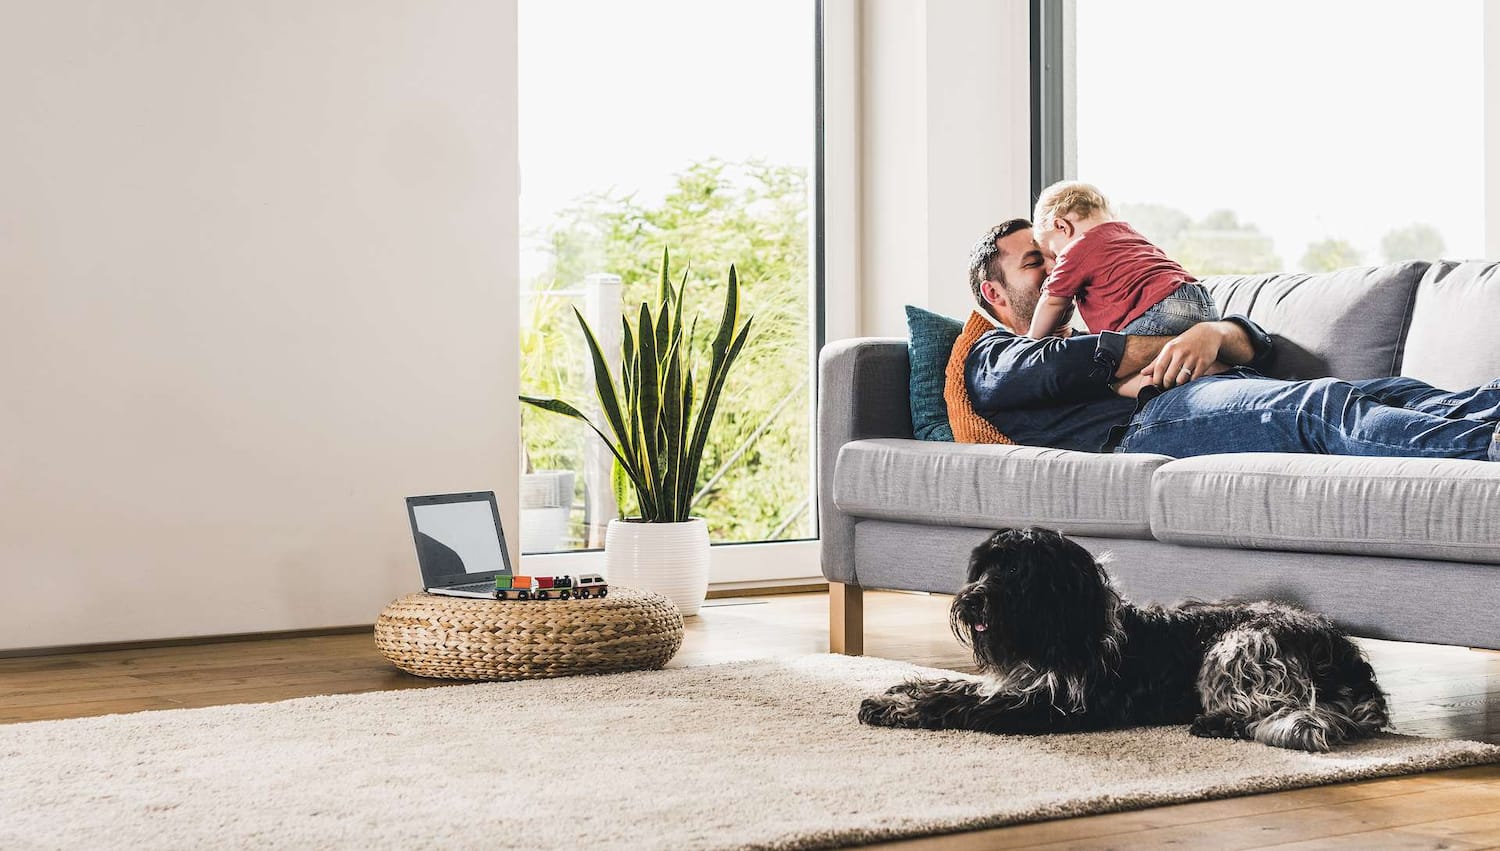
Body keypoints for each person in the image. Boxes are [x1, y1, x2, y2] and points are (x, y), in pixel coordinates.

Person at [966, 218, 1500, 461]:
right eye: (1036, 262)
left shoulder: (1099, 316)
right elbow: (1057, 366)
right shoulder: (991, 353)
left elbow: (1257, 342)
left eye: (1054, 255)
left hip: (1206, 391)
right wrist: (1177, 345)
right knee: (1318, 407)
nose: (1057, 268)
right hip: (1143, 426)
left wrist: (1211, 332)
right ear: (994, 291)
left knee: (1391, 392)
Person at [1026, 181, 1218, 339]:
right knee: (1182, 359)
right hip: (1202, 301)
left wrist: (1030, 342)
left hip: (1161, 308)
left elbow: (1052, 302)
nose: (1055, 264)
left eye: (1053, 253)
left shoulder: (1076, 251)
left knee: (1110, 366)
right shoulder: (1128, 234)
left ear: (1062, 227)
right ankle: (1217, 366)